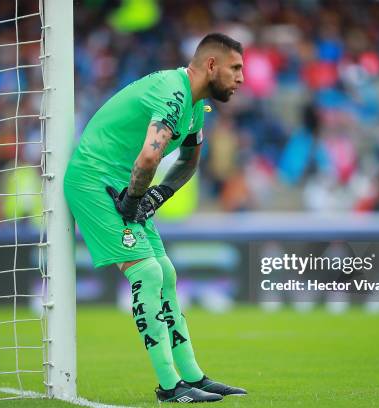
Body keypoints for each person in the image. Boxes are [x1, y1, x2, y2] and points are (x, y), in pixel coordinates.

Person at [64, 33, 247, 403]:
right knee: (146, 272)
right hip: (94, 179)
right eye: (236, 68)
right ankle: (169, 386)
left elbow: (188, 160)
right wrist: (134, 199)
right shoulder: (173, 93)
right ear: (211, 65)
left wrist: (156, 195)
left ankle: (193, 375)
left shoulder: (195, 106)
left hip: (121, 181)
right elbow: (149, 158)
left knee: (165, 271)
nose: (242, 77)